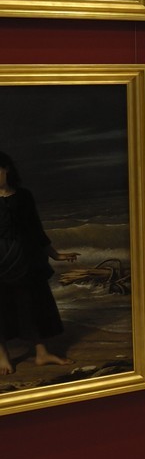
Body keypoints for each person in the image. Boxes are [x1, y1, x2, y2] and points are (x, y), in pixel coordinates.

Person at [0, 151, 78, 375]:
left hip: (26, 258)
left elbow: (35, 230)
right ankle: (2, 355)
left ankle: (41, 354)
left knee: (31, 303)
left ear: (6, 169)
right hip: (0, 261)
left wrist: (55, 254)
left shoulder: (24, 196)